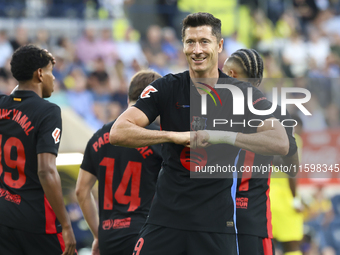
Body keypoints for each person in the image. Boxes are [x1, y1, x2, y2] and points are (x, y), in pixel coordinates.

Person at [110, 12, 289, 255]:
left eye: (204, 41)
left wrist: (223, 135)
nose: (197, 50)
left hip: (215, 225)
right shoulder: (166, 87)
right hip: (166, 219)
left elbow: (280, 142)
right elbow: (118, 132)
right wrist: (173, 136)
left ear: (219, 45)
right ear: (182, 45)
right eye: (190, 42)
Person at [76, 70, 163, 255]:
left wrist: (98, 234)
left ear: (128, 97)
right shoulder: (157, 136)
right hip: (144, 234)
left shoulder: (97, 137)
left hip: (109, 236)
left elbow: (81, 190)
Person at [0, 44, 76, 255]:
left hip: (4, 216)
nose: (54, 79)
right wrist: (67, 224)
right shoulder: (48, 111)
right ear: (40, 74)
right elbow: (46, 170)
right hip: (37, 220)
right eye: (51, 72)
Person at [222, 48, 300, 255]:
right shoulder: (276, 114)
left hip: (214, 214)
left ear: (231, 74)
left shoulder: (209, 110)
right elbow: (291, 166)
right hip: (252, 215)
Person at [270, 115, 304, 255]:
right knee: (292, 245)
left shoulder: (271, 139)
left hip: (268, 196)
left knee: (270, 242)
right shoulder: (294, 139)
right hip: (285, 198)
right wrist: (295, 200)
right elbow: (292, 173)